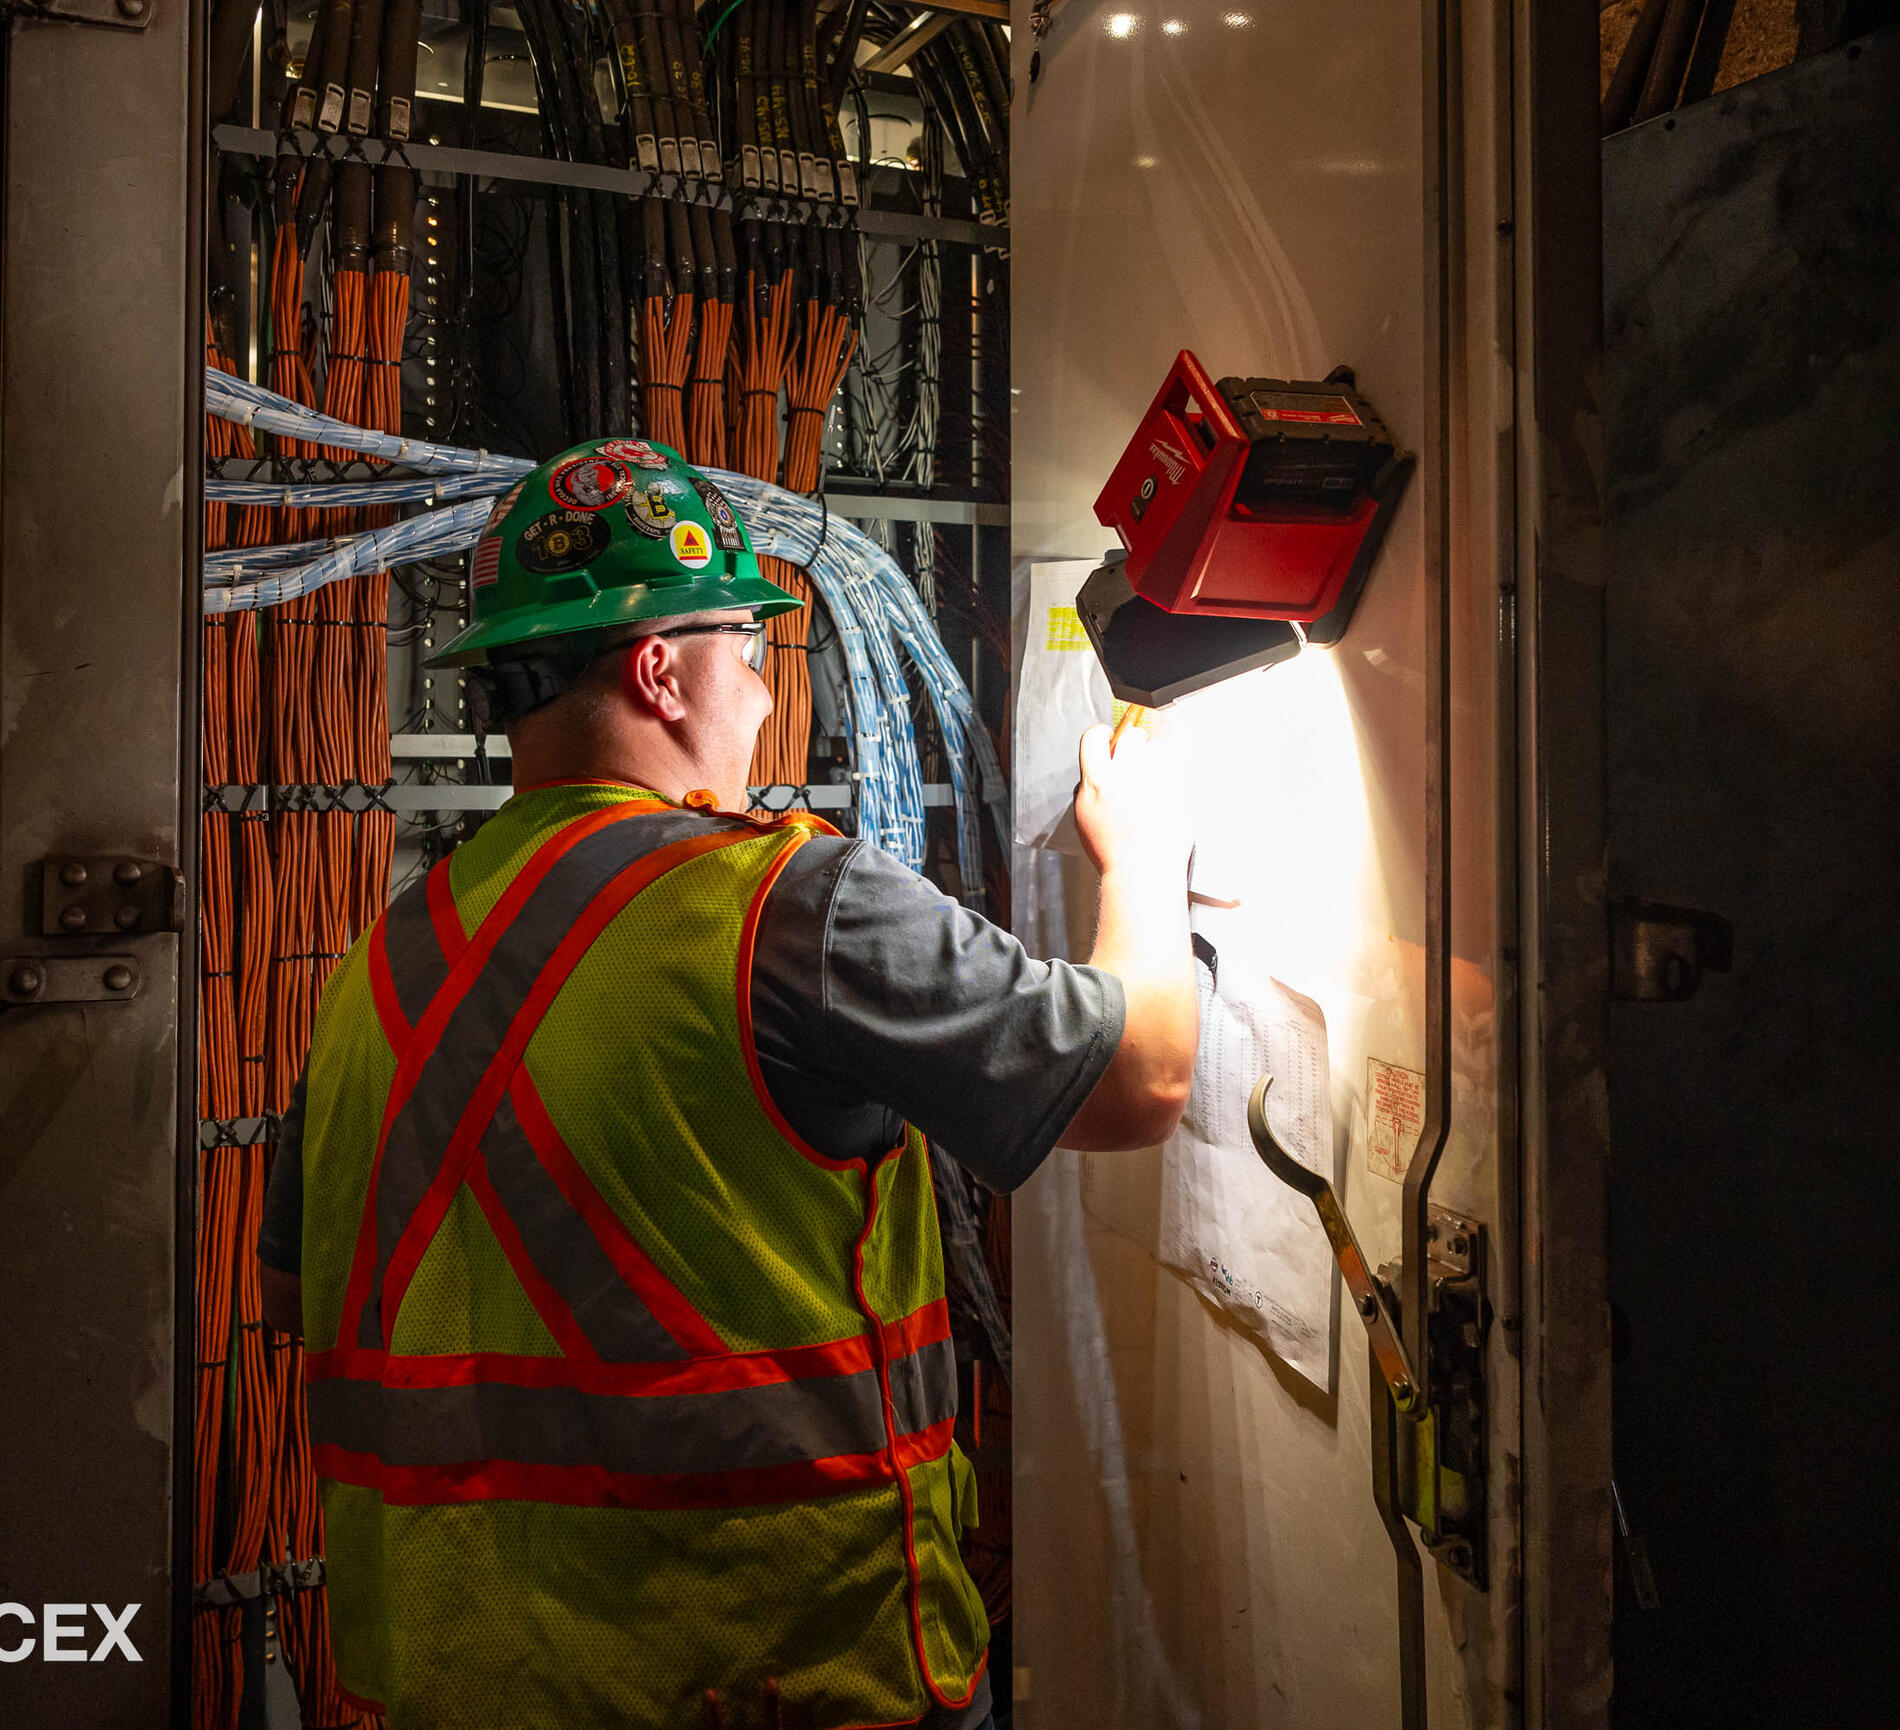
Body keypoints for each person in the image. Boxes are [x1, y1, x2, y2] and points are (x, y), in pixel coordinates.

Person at [253, 438, 1197, 1730]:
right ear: (661, 669)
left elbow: (295, 1292)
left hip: (457, 1687)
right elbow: (1141, 1076)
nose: (761, 698)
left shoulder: (384, 961)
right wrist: (1143, 859)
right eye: (749, 656)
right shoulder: (786, 911)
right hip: (776, 1682)